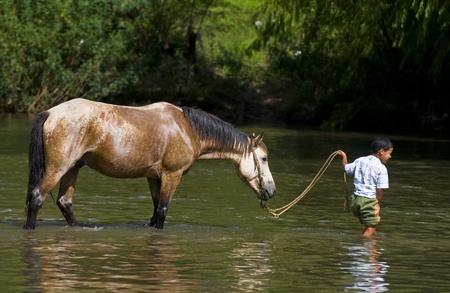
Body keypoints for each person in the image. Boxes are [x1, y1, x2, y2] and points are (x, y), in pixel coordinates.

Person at [337, 137, 393, 237]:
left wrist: (344, 157)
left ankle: (369, 249)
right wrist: (376, 207)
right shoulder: (381, 168)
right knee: (371, 228)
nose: (390, 156)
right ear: (381, 151)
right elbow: (380, 190)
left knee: (369, 227)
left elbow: (346, 169)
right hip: (368, 202)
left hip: (356, 201)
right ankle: (361, 247)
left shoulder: (360, 160)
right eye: (389, 153)